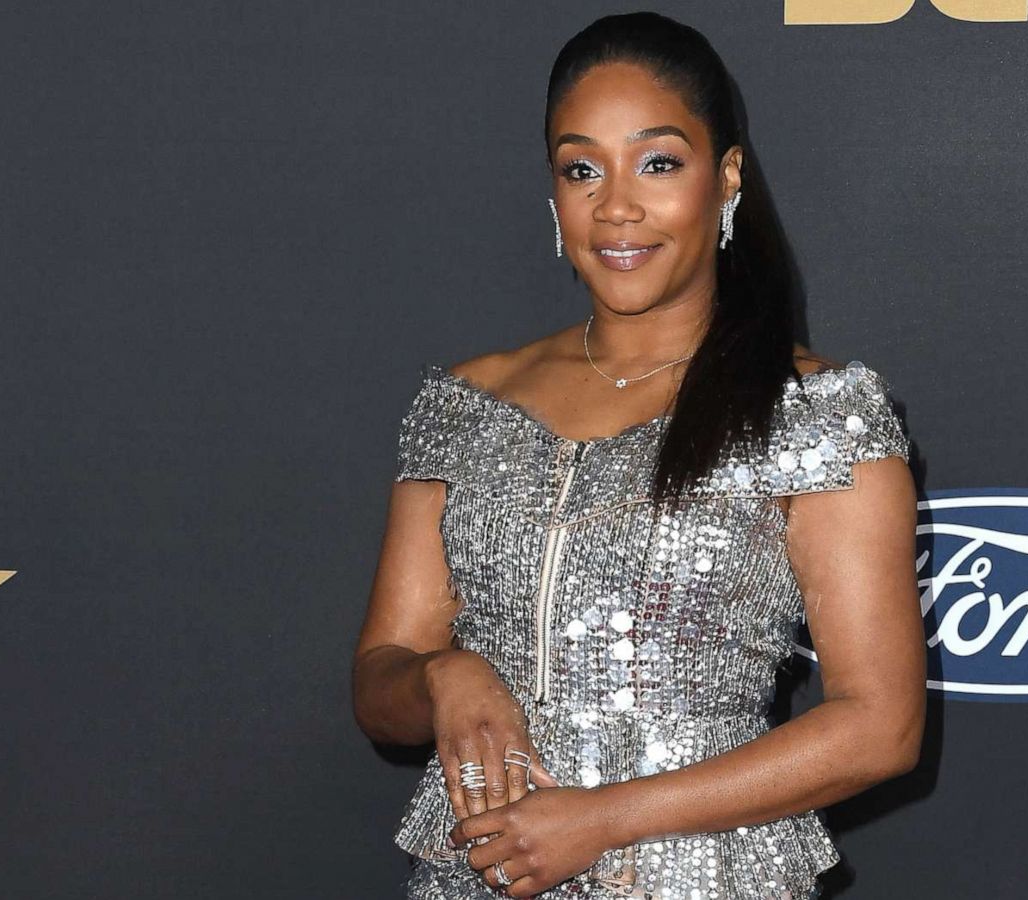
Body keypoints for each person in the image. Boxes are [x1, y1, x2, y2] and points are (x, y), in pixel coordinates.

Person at [352, 12, 926, 899]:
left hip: (703, 878)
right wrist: (444, 678)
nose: (616, 206)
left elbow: (880, 725)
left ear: (726, 178)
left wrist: (606, 817)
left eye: (658, 163)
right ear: (553, 194)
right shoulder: (467, 402)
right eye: (582, 169)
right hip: (484, 875)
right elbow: (380, 680)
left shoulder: (816, 412)